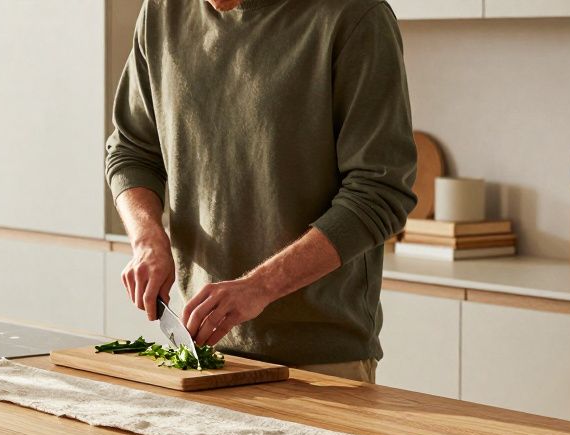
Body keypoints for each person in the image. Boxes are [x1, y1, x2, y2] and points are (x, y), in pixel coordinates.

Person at [107, 0, 418, 382]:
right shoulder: (162, 11)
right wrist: (147, 239)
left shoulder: (355, 16)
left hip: (320, 365)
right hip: (200, 349)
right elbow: (131, 150)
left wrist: (260, 287)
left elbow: (379, 191)